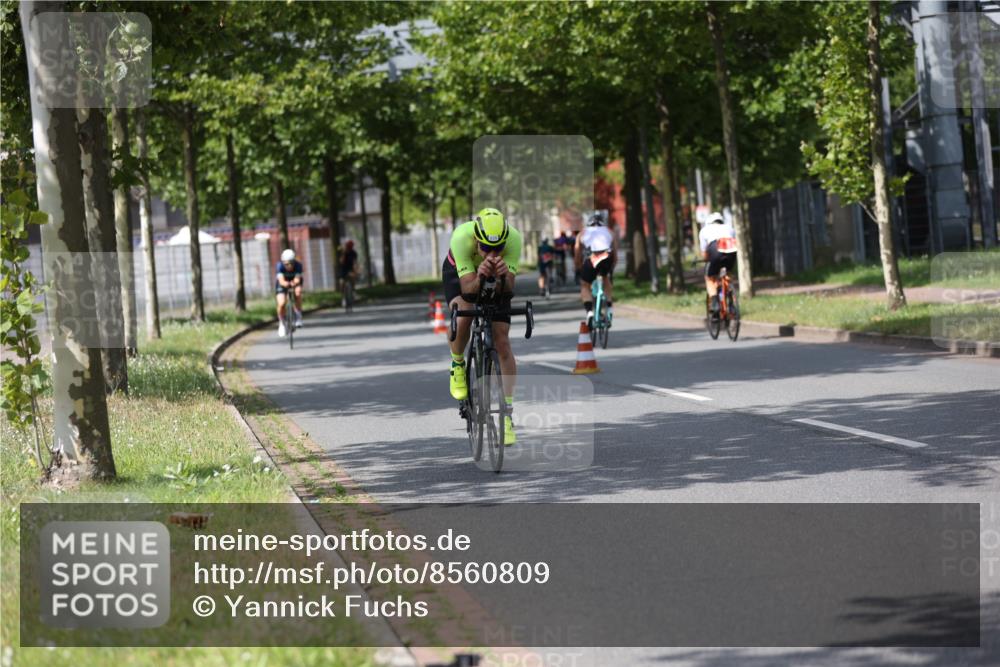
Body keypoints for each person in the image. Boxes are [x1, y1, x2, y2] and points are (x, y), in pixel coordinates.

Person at [442, 208, 523, 446]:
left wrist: (503, 276)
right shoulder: (461, 238)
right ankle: (458, 363)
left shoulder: (514, 240)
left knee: (503, 342)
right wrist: (480, 276)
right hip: (462, 276)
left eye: (498, 249)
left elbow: (508, 290)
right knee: (463, 316)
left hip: (497, 280)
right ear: (477, 240)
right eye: (486, 248)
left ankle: (506, 415)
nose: (493, 253)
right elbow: (468, 290)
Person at [575, 214, 617, 330]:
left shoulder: (582, 233)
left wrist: (578, 265)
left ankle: (589, 312)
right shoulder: (609, 231)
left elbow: (578, 251)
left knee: (585, 285)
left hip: (592, 258)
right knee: (605, 278)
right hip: (606, 257)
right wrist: (612, 267)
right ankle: (609, 306)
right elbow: (615, 254)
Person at [698, 212, 738, 317]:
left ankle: (715, 303)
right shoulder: (730, 228)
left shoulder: (704, 231)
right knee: (728, 273)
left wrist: (707, 259)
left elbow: (705, 254)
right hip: (731, 250)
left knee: (710, 278)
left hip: (715, 249)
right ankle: (731, 300)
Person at [275, 248, 303, 337]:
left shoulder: (298, 265)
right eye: (286, 264)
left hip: (294, 281)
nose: (289, 266)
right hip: (283, 283)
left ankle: (298, 315)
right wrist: (286, 284)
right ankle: (281, 323)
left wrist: (293, 283)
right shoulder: (279, 266)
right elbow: (281, 280)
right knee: (281, 303)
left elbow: (297, 279)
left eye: (291, 263)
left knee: (298, 292)